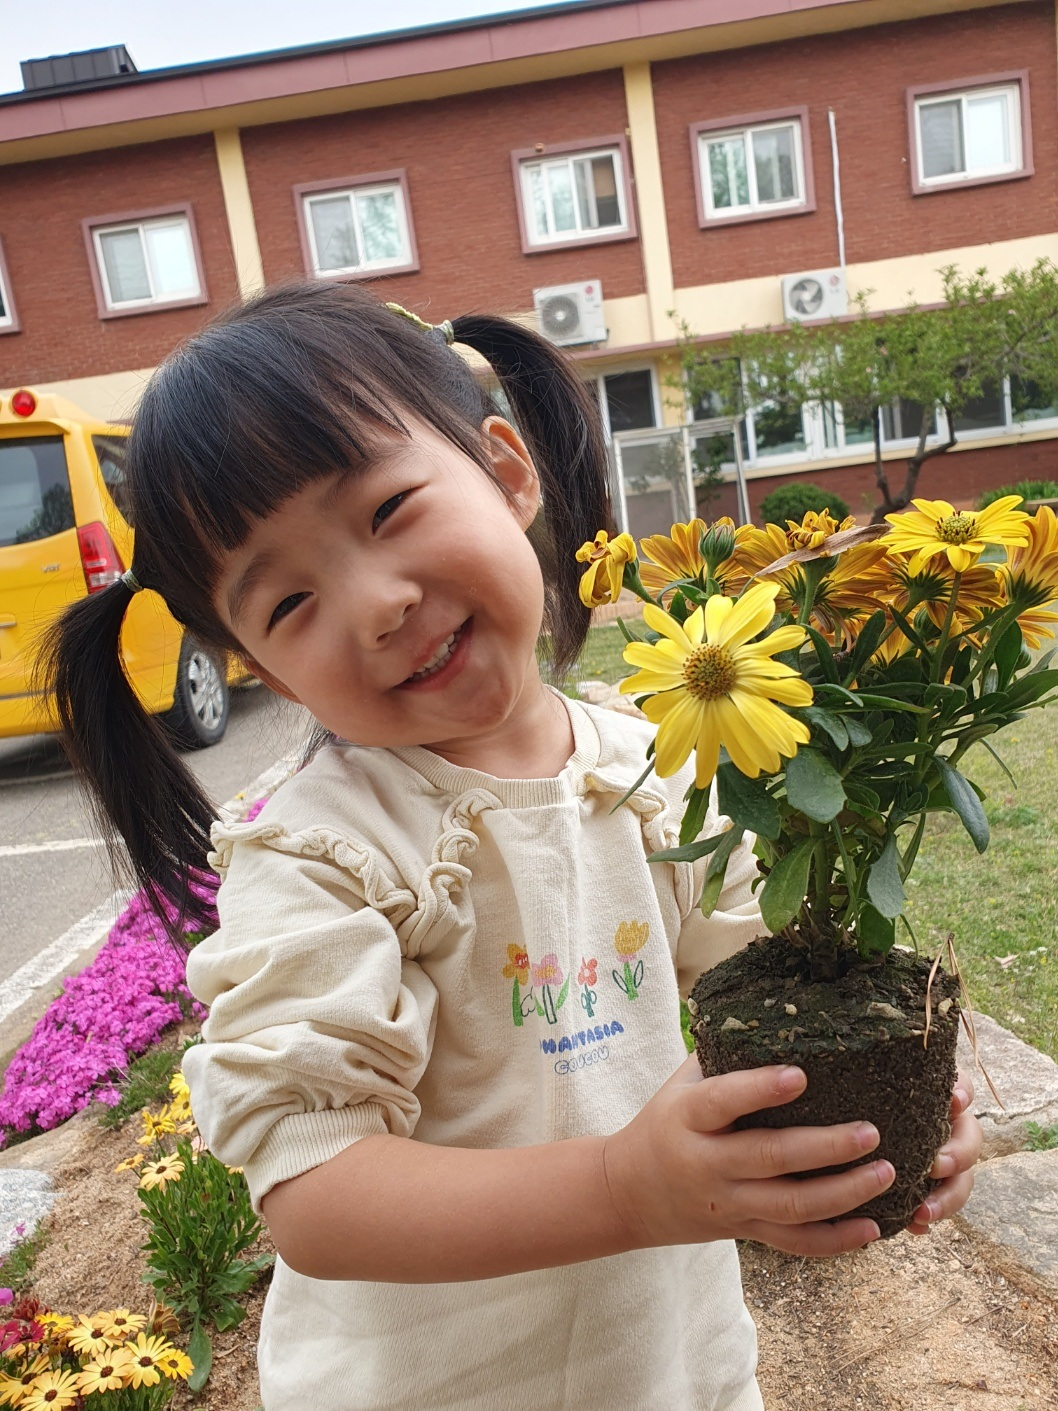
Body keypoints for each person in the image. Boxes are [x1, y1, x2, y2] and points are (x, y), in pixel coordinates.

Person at [46, 283, 981, 1411]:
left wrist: (876, 1120)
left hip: (672, 1371)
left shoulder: (653, 766)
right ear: (266, 671)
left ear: (506, 471)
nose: (377, 603)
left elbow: (779, 994)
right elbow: (312, 1187)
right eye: (289, 603)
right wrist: (625, 1187)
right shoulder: (323, 853)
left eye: (388, 509)